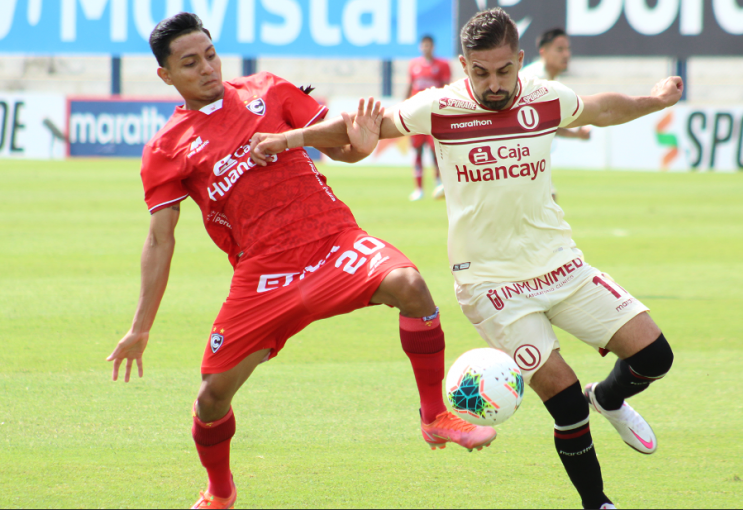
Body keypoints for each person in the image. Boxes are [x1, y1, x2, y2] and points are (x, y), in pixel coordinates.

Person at [250, 8, 680, 509]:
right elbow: (360, 126)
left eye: (503, 71)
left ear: (520, 60)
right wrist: (288, 139)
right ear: (463, 65)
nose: (493, 84)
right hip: (491, 284)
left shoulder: (545, 99)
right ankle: (597, 503)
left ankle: (607, 396)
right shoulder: (439, 106)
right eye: (480, 72)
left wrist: (654, 100)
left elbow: (599, 108)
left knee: (655, 358)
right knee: (563, 401)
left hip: (561, 264)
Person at [105, 13, 496, 510]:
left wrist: (362, 138)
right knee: (211, 397)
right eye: (189, 63)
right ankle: (220, 492)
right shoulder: (166, 149)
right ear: (166, 76)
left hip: (332, 241)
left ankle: (435, 414)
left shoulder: (268, 89)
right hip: (263, 275)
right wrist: (140, 328)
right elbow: (161, 240)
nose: (207, 68)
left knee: (410, 286)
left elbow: (344, 150)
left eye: (210, 54)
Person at [522, 28, 590, 201]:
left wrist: (575, 134)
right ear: (543, 52)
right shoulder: (533, 80)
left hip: (528, 154)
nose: (566, 54)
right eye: (560, 49)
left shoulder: (552, 81)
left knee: (547, 201)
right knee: (547, 200)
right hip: (517, 154)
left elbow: (547, 123)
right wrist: (575, 134)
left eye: (568, 49)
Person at [406, 35, 452, 201]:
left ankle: (439, 183)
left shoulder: (442, 65)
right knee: (417, 151)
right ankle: (418, 189)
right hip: (416, 115)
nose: (426, 48)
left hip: (433, 116)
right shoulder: (414, 65)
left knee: (436, 152)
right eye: (424, 45)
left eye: (429, 45)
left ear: (433, 47)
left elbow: (446, 89)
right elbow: (410, 87)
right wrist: (404, 106)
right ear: (420, 47)